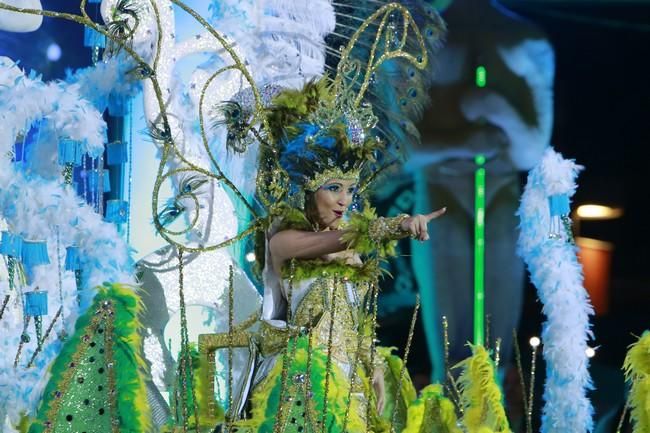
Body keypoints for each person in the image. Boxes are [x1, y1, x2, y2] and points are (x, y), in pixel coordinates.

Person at [219, 78, 450, 433]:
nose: (344, 200)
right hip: (296, 384)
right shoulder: (284, 240)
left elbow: (350, 319)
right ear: (310, 190)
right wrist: (399, 224)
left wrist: (369, 361)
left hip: (349, 387)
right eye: (334, 188)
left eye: (350, 190)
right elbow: (331, 244)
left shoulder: (349, 249)